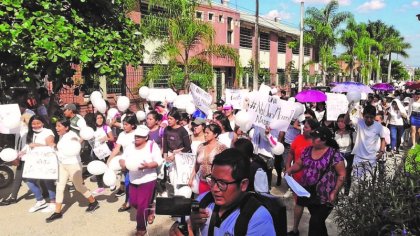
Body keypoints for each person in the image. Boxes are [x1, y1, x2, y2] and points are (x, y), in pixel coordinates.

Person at [169, 148, 276, 236]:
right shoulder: (203, 200)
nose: (215, 188)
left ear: (243, 184)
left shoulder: (258, 219)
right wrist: (187, 225)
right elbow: (178, 225)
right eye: (213, 180)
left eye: (222, 183)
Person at [286, 127, 346, 236]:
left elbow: (342, 174)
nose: (312, 139)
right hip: (307, 192)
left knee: (315, 223)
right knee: (318, 223)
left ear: (324, 139)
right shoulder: (308, 150)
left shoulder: (334, 154)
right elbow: (299, 164)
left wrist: (335, 192)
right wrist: (290, 169)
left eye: (315, 137)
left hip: (325, 197)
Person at [46, 118, 99, 223]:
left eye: (59, 126)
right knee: (60, 187)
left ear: (66, 127)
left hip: (73, 165)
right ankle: (57, 212)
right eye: (56, 126)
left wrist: (53, 145)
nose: (57, 128)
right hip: (62, 164)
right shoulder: (62, 135)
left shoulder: (72, 136)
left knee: (79, 186)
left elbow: (75, 144)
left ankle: (93, 202)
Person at [119, 125, 162, 236]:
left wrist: (148, 165)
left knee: (142, 205)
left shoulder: (152, 146)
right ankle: (151, 209)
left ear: (146, 137)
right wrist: (123, 164)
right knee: (134, 202)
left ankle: (141, 229)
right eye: (136, 135)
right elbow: (122, 158)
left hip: (148, 179)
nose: (137, 138)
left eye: (140, 136)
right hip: (133, 179)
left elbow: (158, 161)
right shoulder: (130, 146)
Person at [285, 118, 319, 236]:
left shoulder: (317, 142)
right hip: (297, 179)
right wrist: (288, 166)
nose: (304, 128)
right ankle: (295, 229)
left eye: (307, 127)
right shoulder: (298, 138)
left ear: (314, 130)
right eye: (304, 126)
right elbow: (291, 153)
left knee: (313, 209)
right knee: (298, 204)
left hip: (312, 181)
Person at [20, 115, 57, 212]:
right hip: (34, 162)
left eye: (38, 123)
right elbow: (28, 146)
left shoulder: (48, 132)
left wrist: (36, 145)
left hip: (45, 161)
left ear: (43, 123)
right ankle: (40, 201)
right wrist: (21, 152)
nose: (36, 125)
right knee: (30, 181)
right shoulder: (30, 133)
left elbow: (50, 145)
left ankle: (53, 201)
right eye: (33, 124)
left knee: (47, 181)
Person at [345, 104, 386, 179]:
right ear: (363, 115)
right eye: (366, 117)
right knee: (355, 181)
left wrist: (381, 152)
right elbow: (346, 121)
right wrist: (349, 110)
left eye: (371, 117)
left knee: (368, 182)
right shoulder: (359, 122)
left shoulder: (379, 126)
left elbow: (383, 139)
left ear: (374, 116)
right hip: (358, 157)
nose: (369, 119)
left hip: (372, 158)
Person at [107, 115, 137, 211]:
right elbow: (117, 148)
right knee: (127, 182)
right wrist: (110, 159)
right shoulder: (122, 135)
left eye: (126, 124)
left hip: (137, 161)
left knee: (138, 183)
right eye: (123, 124)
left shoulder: (138, 134)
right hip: (125, 163)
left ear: (132, 125)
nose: (124, 126)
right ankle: (128, 202)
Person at [189, 124, 226, 194]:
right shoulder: (201, 146)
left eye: (207, 133)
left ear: (215, 134)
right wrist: (191, 178)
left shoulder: (222, 148)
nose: (205, 135)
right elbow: (196, 165)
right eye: (204, 132)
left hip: (216, 184)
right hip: (202, 182)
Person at [162, 109, 191, 197]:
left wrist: (176, 155)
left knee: (180, 179)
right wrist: (165, 158)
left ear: (177, 120)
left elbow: (187, 147)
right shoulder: (166, 129)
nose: (169, 121)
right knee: (172, 178)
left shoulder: (183, 131)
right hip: (170, 157)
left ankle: (180, 198)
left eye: (171, 119)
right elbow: (165, 145)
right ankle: (173, 196)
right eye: (168, 119)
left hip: (180, 158)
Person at [90, 112, 115, 195]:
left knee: (108, 167)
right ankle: (100, 187)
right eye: (98, 118)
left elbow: (112, 138)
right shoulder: (92, 129)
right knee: (98, 168)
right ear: (95, 120)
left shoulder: (106, 127)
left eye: (101, 118)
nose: (100, 120)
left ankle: (111, 183)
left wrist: (106, 138)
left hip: (106, 151)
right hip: (96, 152)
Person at [334, 114, 354, 195]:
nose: (340, 123)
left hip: (348, 155)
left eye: (342, 121)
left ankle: (346, 192)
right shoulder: (334, 133)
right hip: (338, 156)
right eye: (338, 121)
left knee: (347, 175)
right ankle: (336, 193)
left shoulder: (351, 133)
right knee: (337, 175)